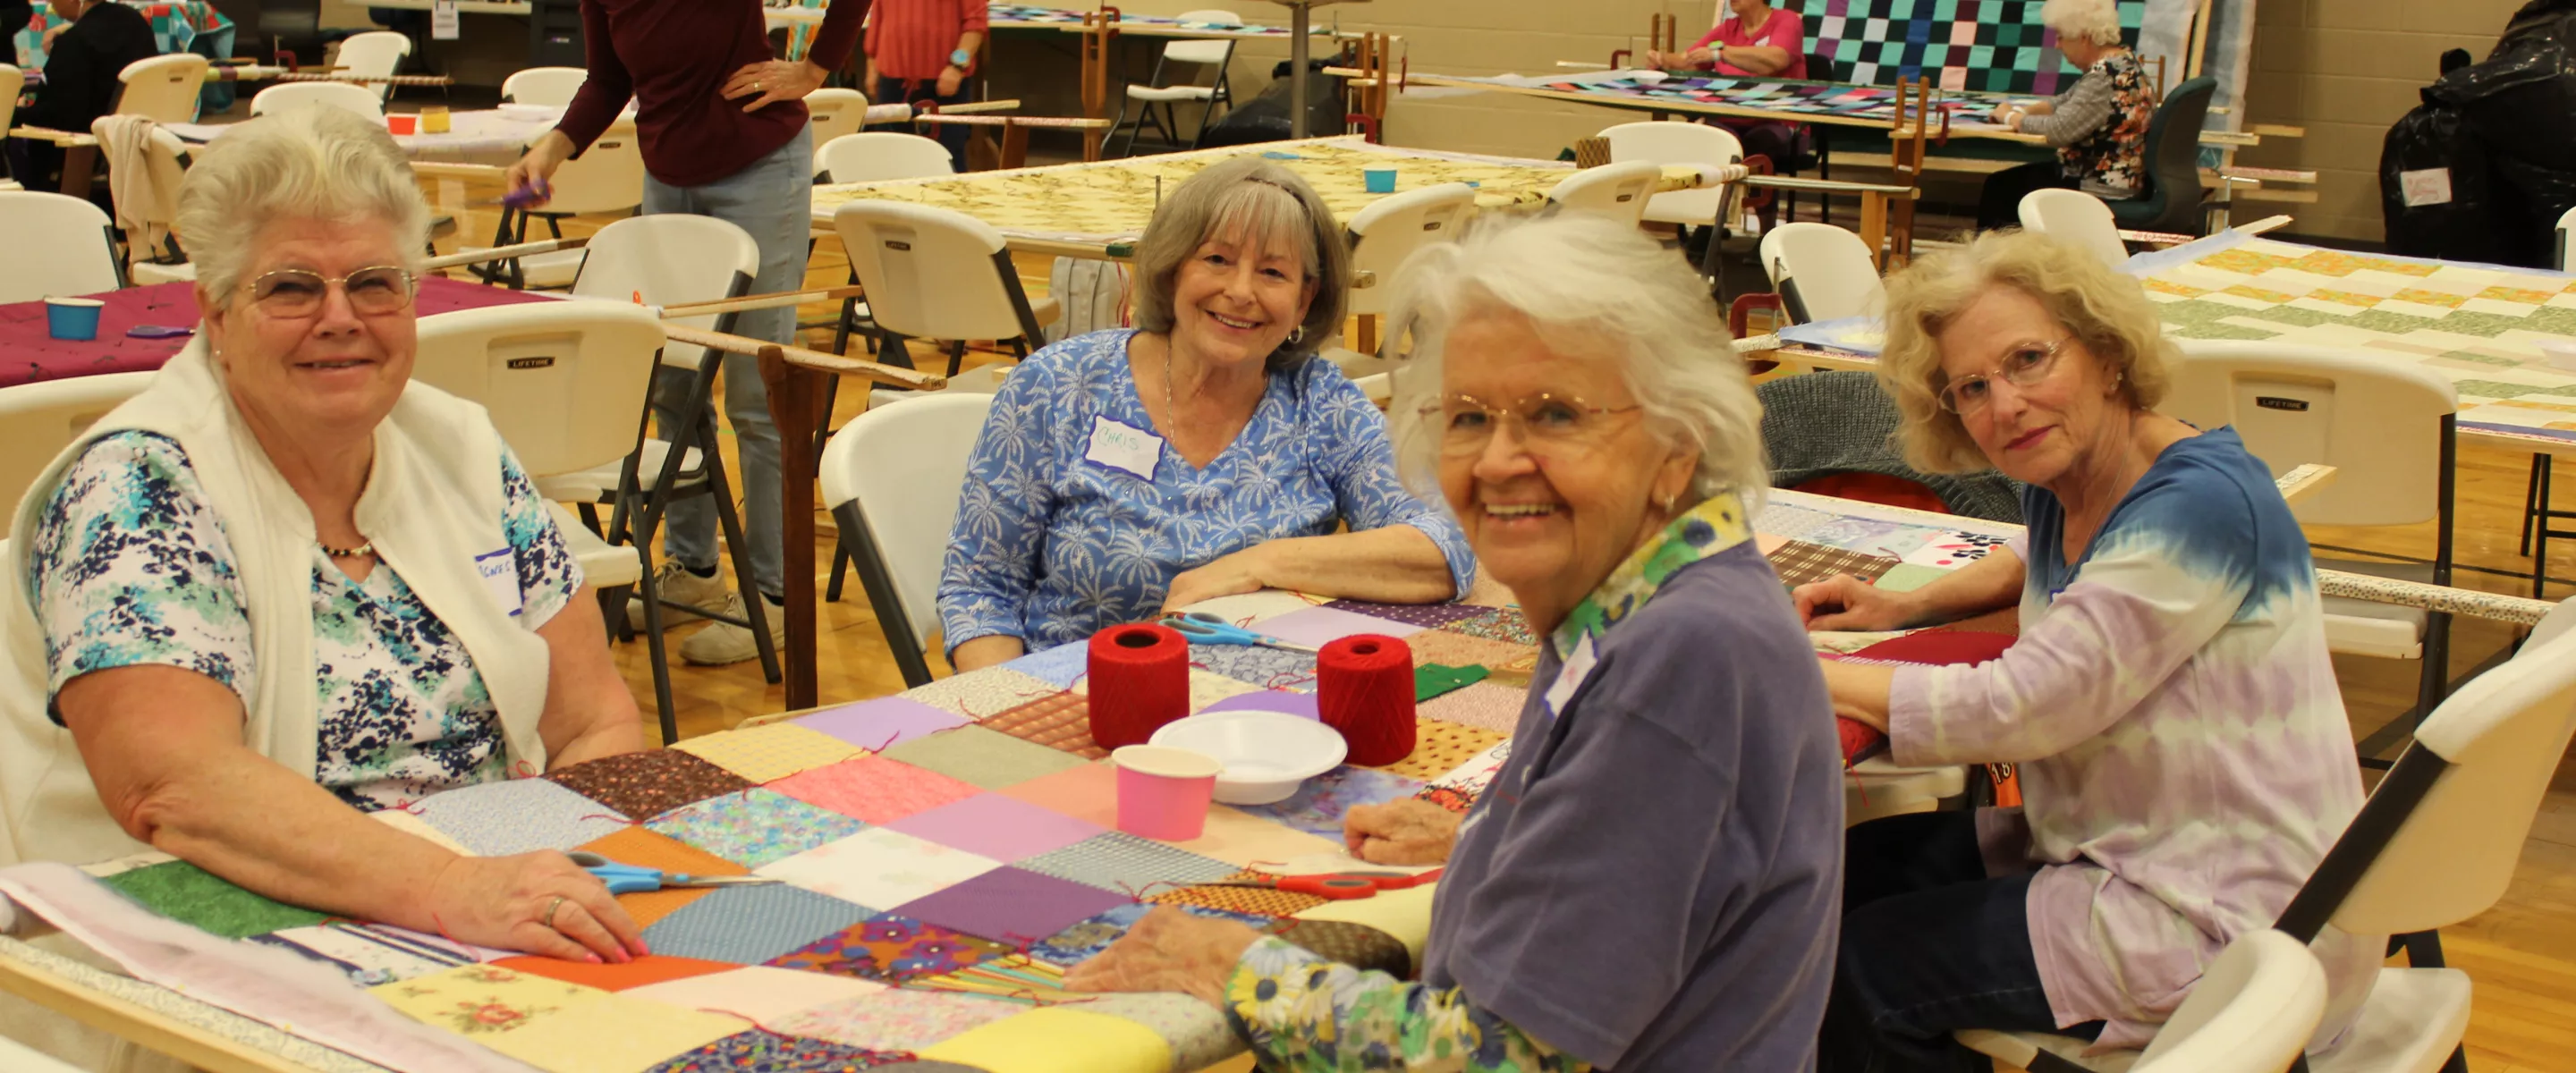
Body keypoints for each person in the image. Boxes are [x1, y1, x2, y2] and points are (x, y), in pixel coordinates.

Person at [1062, 213, 1845, 1072]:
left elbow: (1490, 1057)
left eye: (1555, 414)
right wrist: (1510, 838)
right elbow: (1655, 861)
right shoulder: (1656, 593)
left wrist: (1236, 970)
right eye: (1468, 418)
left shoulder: (1681, 656)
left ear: (1675, 445)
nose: (1500, 459)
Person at [0, 109, 650, 968]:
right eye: (292, 287)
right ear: (217, 315)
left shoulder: (459, 448)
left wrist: (549, 879)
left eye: (376, 283)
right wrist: (455, 892)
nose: (340, 317)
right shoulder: (137, 487)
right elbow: (177, 789)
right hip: (195, 955)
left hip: (479, 922)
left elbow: (594, 719)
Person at [1793, 231, 2377, 1071]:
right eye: (1972, 388)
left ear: (2106, 354)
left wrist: (1811, 672)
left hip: (2225, 910)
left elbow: (2022, 707)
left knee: (1865, 971)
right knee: (1829, 878)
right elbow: (2048, 556)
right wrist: (1905, 602)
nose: (2006, 405)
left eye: (2030, 359)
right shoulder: (2093, 472)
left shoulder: (2197, 509)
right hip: (2136, 833)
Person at [936, 157, 1475, 672]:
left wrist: (1261, 562)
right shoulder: (1059, 386)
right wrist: (1013, 709)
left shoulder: (1319, 402)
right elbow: (980, 589)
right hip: (1077, 698)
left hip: (1263, 705)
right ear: (1173, 271)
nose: (1240, 292)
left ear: (1305, 300)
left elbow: (1445, 547)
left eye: (1272, 272)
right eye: (1216, 260)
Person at [504, 0, 868, 666]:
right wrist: (553, 147)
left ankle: (775, 598)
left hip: (760, 167)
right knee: (672, 386)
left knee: (758, 393)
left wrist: (814, 70)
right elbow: (609, 80)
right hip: (668, 177)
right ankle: (695, 570)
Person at [1974, 0, 2155, 230]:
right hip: (2112, 179)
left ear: (2084, 37)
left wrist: (2011, 118)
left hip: (2096, 185)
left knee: (2000, 188)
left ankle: (2000, 263)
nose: (2057, 45)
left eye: (2061, 36)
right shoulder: (2122, 64)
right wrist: (2023, 111)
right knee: (2010, 183)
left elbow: (2057, 130)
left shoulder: (2104, 77)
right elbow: (2063, 102)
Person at [1643, 0, 1809, 225]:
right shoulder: (1728, 29)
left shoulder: (1786, 20)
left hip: (1778, 121)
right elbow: (1688, 60)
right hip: (1730, 120)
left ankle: (1766, 232)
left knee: (1758, 145)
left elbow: (1775, 60)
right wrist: (1662, 60)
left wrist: (1720, 54)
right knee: (1712, 141)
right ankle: (1709, 227)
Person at [14, 0, 156, 192]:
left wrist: (13, 114)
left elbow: (57, 117)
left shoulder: (75, 42)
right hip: (138, 146)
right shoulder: (135, 23)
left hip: (83, 156)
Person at [863, 0, 984, 171]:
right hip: (892, 83)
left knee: (946, 160)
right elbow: (878, 15)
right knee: (889, 161)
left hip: (945, 85)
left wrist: (957, 67)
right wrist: (872, 63)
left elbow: (976, 22)